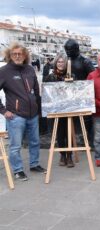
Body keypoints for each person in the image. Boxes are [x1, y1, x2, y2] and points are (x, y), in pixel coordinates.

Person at [0, 42, 46, 181]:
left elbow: (37, 91)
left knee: (35, 142)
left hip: (32, 114)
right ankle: (18, 170)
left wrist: (38, 108)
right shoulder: (4, 71)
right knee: (15, 146)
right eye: (15, 54)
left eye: (20, 53)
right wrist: (3, 111)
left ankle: (34, 164)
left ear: (25, 55)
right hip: (16, 116)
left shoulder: (30, 69)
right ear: (10, 55)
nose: (18, 56)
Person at [43, 53, 76, 167]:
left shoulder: (72, 75)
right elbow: (46, 93)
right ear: (56, 63)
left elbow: (75, 92)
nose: (61, 64)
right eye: (59, 62)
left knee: (69, 133)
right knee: (60, 133)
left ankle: (69, 156)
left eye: (62, 62)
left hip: (69, 109)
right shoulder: (50, 77)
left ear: (66, 63)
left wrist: (70, 83)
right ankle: (62, 155)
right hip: (56, 110)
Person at [64, 39, 95, 146]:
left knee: (87, 119)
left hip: (84, 95)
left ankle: (90, 139)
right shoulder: (65, 61)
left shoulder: (85, 62)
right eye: (66, 50)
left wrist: (80, 82)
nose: (67, 52)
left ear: (76, 49)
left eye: (70, 49)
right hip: (70, 95)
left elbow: (93, 77)